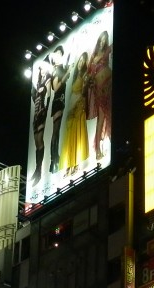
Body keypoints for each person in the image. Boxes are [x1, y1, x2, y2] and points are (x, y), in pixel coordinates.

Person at [58, 50, 90, 178]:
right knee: (70, 138)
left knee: (78, 135)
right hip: (71, 110)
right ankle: (69, 165)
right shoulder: (75, 76)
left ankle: (75, 164)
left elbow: (83, 93)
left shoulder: (84, 76)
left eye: (83, 61)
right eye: (80, 60)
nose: (80, 63)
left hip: (79, 108)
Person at [85, 29, 112, 161]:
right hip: (98, 90)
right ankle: (98, 150)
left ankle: (112, 142)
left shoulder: (108, 50)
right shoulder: (93, 58)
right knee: (101, 117)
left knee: (110, 114)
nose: (102, 42)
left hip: (108, 85)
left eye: (104, 40)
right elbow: (88, 75)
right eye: (101, 40)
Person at [29, 59, 52, 185]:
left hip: (41, 111)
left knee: (40, 140)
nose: (41, 71)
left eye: (43, 68)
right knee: (37, 142)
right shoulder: (37, 83)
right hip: (36, 113)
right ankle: (37, 170)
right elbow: (34, 98)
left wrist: (45, 110)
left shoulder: (47, 79)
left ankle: (39, 170)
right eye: (40, 69)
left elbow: (48, 95)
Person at [47, 46, 69, 174]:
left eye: (60, 54)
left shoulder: (59, 68)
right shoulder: (56, 70)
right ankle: (54, 160)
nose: (58, 56)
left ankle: (54, 160)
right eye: (57, 54)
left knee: (57, 131)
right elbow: (56, 87)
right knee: (56, 131)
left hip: (60, 100)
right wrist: (66, 75)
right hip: (58, 101)